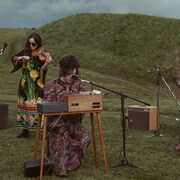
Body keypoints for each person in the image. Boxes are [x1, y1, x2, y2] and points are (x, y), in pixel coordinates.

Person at [43, 55, 91, 177]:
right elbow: (47, 105)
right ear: (64, 69)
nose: (73, 71)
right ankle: (60, 168)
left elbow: (84, 103)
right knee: (61, 134)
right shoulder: (51, 85)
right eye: (70, 68)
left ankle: (70, 164)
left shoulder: (79, 84)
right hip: (57, 122)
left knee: (85, 136)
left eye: (74, 68)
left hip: (73, 122)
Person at [11, 32, 52, 138]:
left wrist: (47, 63)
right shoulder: (26, 51)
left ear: (38, 43)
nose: (31, 46)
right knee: (25, 106)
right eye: (29, 43)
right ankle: (25, 132)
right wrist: (21, 58)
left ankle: (43, 132)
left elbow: (43, 70)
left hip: (36, 85)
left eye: (33, 44)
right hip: (25, 84)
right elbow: (14, 58)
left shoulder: (41, 54)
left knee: (37, 107)